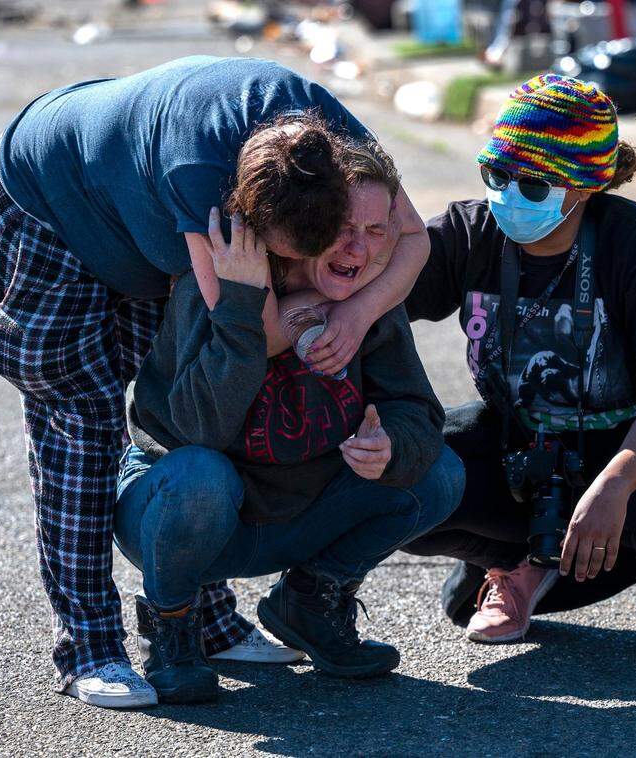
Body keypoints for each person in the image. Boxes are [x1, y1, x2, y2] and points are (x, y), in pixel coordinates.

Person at [0, 55, 429, 707]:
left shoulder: (332, 138)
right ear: (247, 215)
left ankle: (212, 622)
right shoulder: (203, 185)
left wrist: (355, 316)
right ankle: (90, 646)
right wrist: (310, 309)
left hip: (136, 210)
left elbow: (413, 239)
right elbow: (255, 331)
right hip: (51, 203)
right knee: (84, 421)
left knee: (199, 401)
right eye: (286, 258)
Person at [114, 136, 463, 703]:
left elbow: (418, 412)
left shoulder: (370, 300)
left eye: (378, 231)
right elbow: (196, 430)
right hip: (185, 516)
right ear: (304, 223)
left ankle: (310, 603)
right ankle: (173, 626)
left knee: (438, 473)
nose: (359, 246)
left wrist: (390, 446)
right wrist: (242, 312)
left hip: (297, 514)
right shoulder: (216, 287)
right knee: (201, 476)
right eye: (343, 227)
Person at [402, 74, 636, 659]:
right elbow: (373, 303)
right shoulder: (470, 234)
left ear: (582, 189)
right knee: (404, 473)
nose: (506, 195)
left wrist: (613, 488)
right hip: (529, 443)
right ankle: (517, 562)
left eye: (532, 185)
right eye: (495, 176)